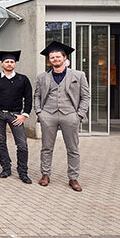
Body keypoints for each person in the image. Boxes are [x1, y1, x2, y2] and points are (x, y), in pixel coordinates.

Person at [33, 41, 90, 192]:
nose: (55, 59)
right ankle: (45, 174)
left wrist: (79, 115)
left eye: (58, 57)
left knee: (73, 148)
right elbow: (37, 96)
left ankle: (73, 177)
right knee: (46, 148)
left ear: (65, 58)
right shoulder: (42, 77)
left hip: (70, 115)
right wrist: (39, 112)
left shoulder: (79, 75)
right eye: (52, 57)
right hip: (48, 115)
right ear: (49, 60)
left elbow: (86, 97)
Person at [0, 50, 33, 184]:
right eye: (7, 61)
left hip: (15, 115)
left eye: (12, 62)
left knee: (22, 144)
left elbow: (28, 98)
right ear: (2, 64)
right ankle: (6, 168)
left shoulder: (22, 79)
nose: (9, 64)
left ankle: (23, 172)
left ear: (15, 64)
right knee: (1, 142)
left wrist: (25, 115)